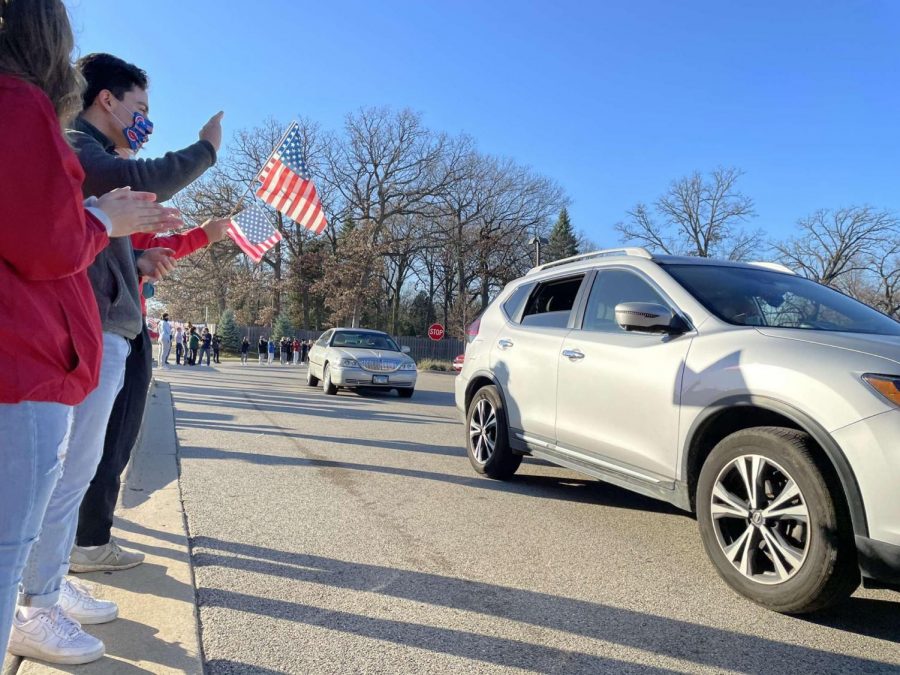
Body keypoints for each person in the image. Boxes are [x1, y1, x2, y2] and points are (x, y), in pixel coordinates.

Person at [0, 1, 179, 663]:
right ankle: (36, 601)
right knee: (30, 510)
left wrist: (129, 245)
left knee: (56, 486)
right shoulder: (31, 112)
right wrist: (108, 221)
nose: (146, 123)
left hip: (54, 346)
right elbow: (47, 239)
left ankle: (45, 590)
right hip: (31, 353)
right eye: (141, 107)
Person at [67, 52, 231, 577]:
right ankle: (74, 555)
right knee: (78, 458)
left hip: (117, 315)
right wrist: (206, 148)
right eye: (139, 106)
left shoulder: (96, 159)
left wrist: (138, 257)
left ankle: (67, 561)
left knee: (93, 451)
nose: (145, 120)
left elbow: (105, 241)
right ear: (106, 100)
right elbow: (144, 178)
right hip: (97, 322)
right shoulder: (78, 146)